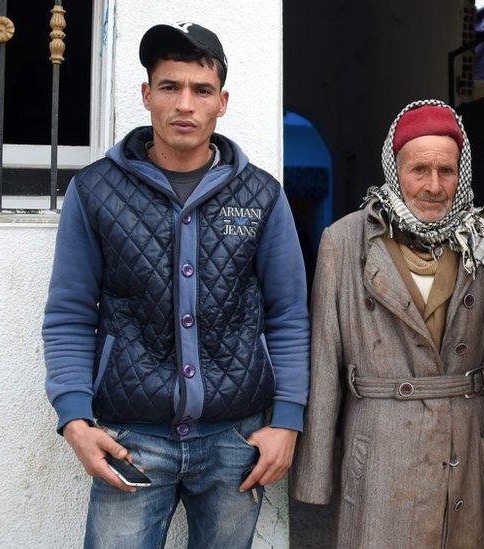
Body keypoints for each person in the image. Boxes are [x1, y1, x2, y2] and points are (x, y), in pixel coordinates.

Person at [42, 22, 309, 548]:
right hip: (132, 441)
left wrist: (288, 420)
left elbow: (289, 313)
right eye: (170, 86)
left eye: (201, 89)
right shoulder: (95, 191)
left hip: (237, 439)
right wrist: (74, 417)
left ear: (222, 101)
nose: (185, 103)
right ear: (147, 94)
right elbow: (70, 312)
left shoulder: (261, 195)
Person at [291, 100, 484, 547]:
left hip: (468, 446)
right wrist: (316, 472)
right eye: (419, 169)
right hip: (381, 449)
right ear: (394, 168)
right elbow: (324, 362)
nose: (434, 185)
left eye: (447, 170)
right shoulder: (344, 241)